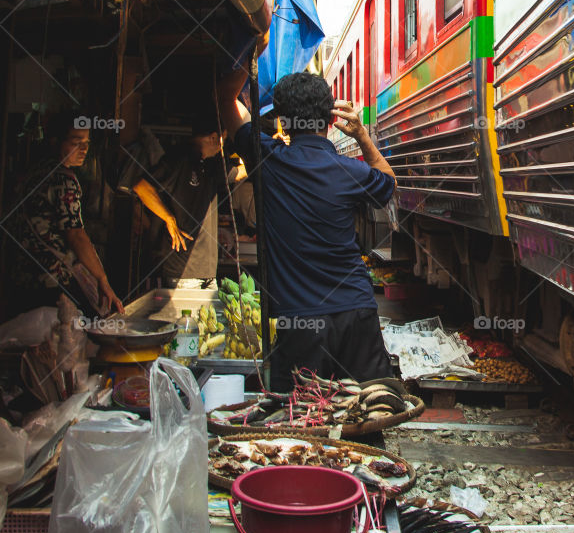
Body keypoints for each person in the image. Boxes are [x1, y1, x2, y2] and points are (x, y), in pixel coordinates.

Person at [217, 66, 396, 389]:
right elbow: (389, 183)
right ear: (331, 120)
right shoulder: (350, 171)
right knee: (370, 412)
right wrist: (362, 135)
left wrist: (252, 47)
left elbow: (227, 101)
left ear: (283, 124)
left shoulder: (268, 159)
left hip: (300, 322)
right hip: (356, 312)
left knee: (299, 421)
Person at [6, 115, 124, 318]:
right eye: (76, 142)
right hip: (50, 281)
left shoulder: (34, 172)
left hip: (19, 277)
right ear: (55, 141)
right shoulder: (63, 180)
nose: (84, 150)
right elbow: (75, 235)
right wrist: (102, 280)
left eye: (86, 143)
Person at [131, 119, 228, 285]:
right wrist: (169, 218)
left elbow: (241, 172)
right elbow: (142, 187)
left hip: (206, 271)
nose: (222, 147)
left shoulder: (209, 164)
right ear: (213, 138)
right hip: (181, 270)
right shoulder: (179, 159)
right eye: (223, 140)